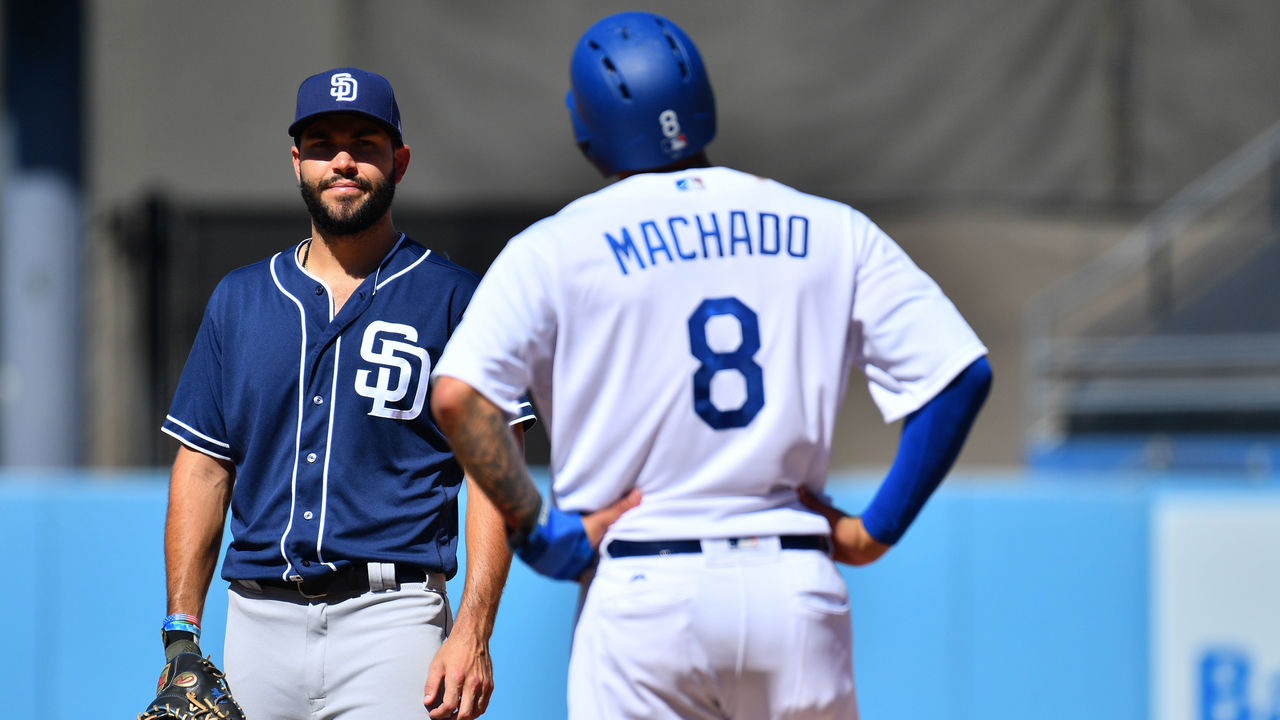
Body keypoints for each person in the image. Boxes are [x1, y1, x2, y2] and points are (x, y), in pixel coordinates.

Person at [431, 11, 992, 720]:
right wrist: (873, 529)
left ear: (586, 127)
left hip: (643, 588)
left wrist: (538, 531)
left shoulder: (554, 247)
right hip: (794, 583)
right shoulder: (829, 227)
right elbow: (958, 374)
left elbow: (458, 398)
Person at [158, 66, 545, 720]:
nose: (343, 161)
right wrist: (181, 636)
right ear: (297, 162)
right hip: (257, 620)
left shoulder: (455, 298)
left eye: (365, 143)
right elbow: (202, 469)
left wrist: (474, 633)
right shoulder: (241, 298)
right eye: (322, 145)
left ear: (399, 161)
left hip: (393, 620)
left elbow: (494, 478)